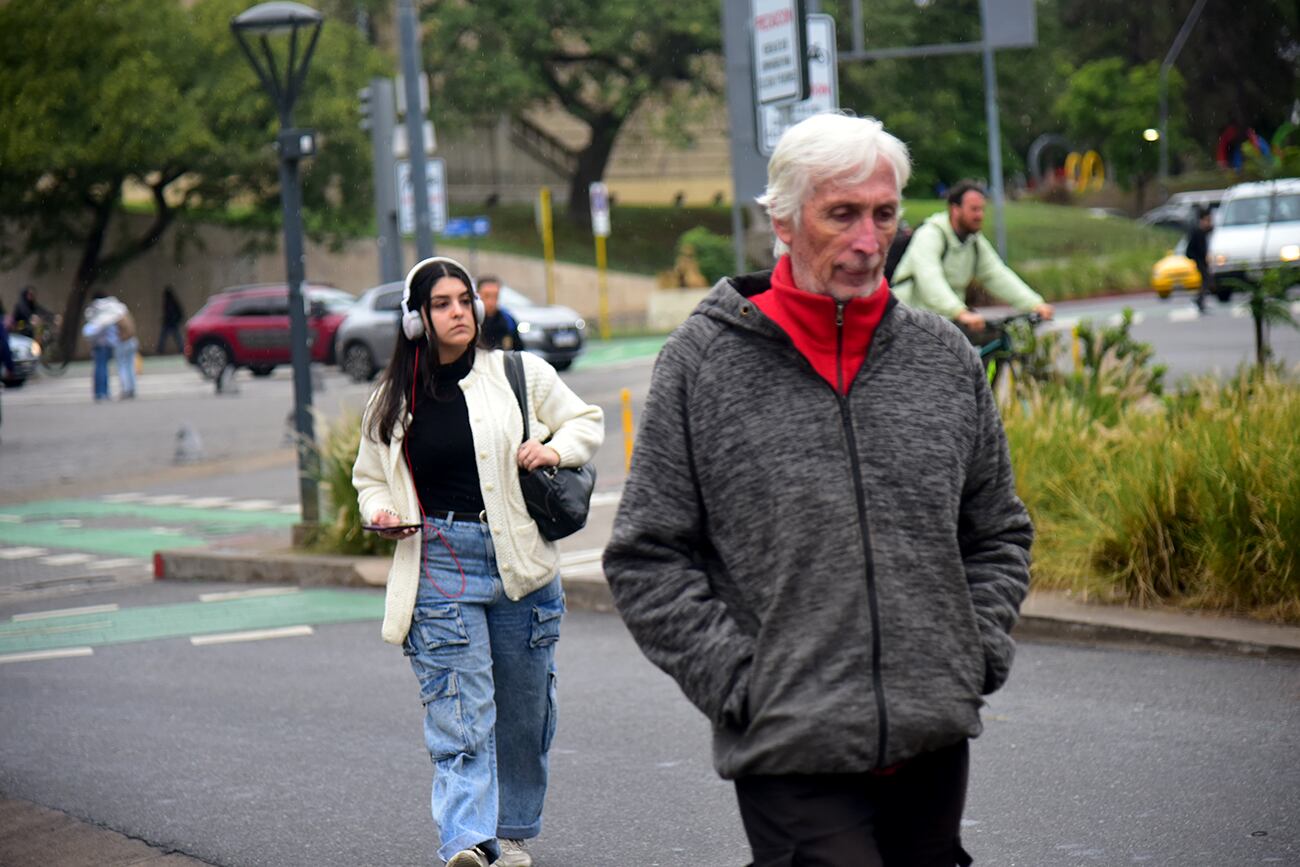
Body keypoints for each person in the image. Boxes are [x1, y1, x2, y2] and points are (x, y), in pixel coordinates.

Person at [602, 113, 1034, 867]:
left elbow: (996, 530)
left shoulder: (942, 360)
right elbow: (646, 555)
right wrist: (742, 683)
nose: (869, 242)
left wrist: (973, 650)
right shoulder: (703, 363)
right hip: (787, 739)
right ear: (782, 220)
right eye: (842, 214)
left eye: (885, 214)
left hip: (932, 734)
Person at [352, 257, 603, 867]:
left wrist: (552, 448)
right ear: (416, 319)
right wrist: (382, 511)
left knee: (524, 711)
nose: (458, 311)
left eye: (464, 300)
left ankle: (510, 833)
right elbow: (369, 478)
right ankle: (467, 840)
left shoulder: (520, 373)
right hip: (439, 560)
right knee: (460, 709)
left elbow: (585, 421)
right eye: (442, 303)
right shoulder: (392, 400)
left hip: (520, 559)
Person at [890, 180, 1054, 332]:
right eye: (974, 209)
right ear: (955, 209)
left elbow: (997, 275)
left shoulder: (974, 242)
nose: (980, 215)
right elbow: (930, 279)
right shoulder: (930, 235)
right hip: (910, 322)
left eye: (982, 209)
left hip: (946, 320)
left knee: (995, 342)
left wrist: (1034, 304)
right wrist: (959, 311)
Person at [82, 293, 127, 402]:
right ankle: (104, 392)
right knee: (103, 368)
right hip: (108, 345)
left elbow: (90, 331)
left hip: (98, 345)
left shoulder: (96, 312)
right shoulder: (110, 311)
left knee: (99, 368)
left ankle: (99, 392)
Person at [476, 276, 523, 351]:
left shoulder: (508, 321)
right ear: (477, 295)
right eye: (487, 296)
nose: (491, 302)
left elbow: (518, 350)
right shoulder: (473, 321)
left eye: (495, 296)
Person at [1185, 207, 1214, 314]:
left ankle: (1199, 300)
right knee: (1206, 280)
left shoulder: (1205, 232)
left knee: (1207, 281)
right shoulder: (1196, 232)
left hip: (1203, 261)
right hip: (1199, 260)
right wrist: (1197, 258)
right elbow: (1189, 250)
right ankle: (1199, 300)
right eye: (1207, 220)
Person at [157, 285, 185, 354]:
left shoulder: (169, 302)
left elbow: (170, 313)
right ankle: (182, 349)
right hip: (171, 322)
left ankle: (160, 350)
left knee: (166, 337)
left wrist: (167, 319)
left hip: (170, 322)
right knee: (176, 337)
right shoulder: (172, 301)